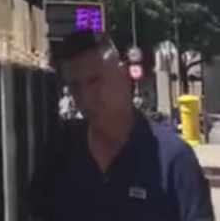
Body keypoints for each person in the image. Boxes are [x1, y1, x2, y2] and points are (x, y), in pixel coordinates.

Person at [29, 31, 213, 221]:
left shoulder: (173, 160)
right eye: (76, 86)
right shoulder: (60, 154)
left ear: (125, 76)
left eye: (95, 81)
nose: (85, 97)